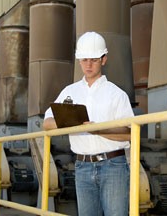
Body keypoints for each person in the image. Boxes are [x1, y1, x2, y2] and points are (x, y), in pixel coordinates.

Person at [43, 31, 134, 216]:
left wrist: (95, 129)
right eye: (84, 59)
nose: (88, 64)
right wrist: (71, 122)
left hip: (113, 165)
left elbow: (129, 133)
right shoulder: (70, 92)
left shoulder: (117, 95)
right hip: (82, 166)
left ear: (104, 60)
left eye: (93, 59)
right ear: (79, 61)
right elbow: (47, 123)